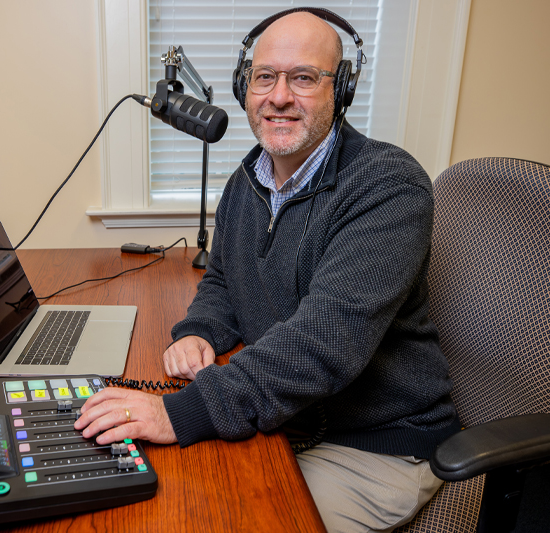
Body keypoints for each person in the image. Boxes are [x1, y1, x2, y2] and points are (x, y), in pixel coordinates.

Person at [76, 11, 460, 532]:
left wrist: (178, 414)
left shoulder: (388, 187)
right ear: (244, 85)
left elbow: (326, 343)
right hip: (287, 421)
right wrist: (199, 330)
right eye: (264, 77)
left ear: (341, 89)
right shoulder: (248, 179)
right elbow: (224, 280)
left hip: (371, 445)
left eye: (303, 77)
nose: (279, 96)